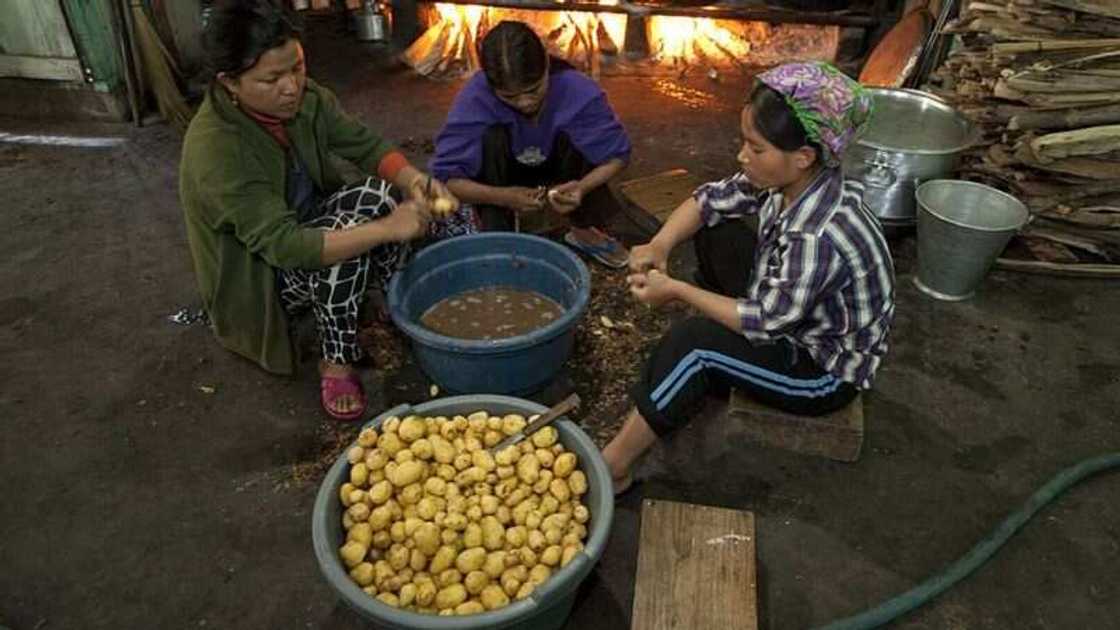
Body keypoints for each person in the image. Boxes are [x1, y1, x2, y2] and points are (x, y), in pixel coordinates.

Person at [602, 61, 895, 492]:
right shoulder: (792, 179)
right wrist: (660, 245)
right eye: (744, 141)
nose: (742, 156)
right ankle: (711, 368)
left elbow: (762, 321)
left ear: (804, 157)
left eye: (755, 149)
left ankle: (614, 466)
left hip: (819, 372)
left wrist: (678, 290)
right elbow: (708, 202)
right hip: (789, 311)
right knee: (715, 228)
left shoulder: (816, 237)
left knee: (692, 345)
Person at [179, 0, 471, 421]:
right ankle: (336, 360)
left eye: (297, 67)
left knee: (377, 193)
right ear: (229, 83)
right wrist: (388, 229)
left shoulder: (305, 99)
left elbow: (363, 144)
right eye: (271, 78)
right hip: (263, 275)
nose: (291, 86)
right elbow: (286, 246)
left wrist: (414, 181)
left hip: (308, 227)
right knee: (352, 241)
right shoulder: (218, 150)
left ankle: (395, 307)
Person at [430, 20, 632, 268]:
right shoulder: (474, 98)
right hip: (501, 173)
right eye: (509, 97)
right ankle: (499, 238)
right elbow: (447, 178)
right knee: (491, 137)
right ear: (490, 85)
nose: (525, 103)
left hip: (560, 167)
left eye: (534, 90)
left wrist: (582, 187)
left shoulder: (576, 89)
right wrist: (502, 197)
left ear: (546, 66)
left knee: (578, 133)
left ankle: (583, 231)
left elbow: (617, 156)